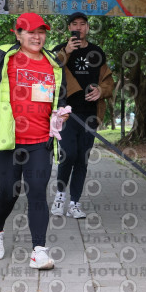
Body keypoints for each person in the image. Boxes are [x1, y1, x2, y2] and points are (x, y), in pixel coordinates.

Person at [0, 12, 68, 270]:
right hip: (7, 140)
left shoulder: (53, 62)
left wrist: (61, 113)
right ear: (18, 34)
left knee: (37, 192)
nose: (37, 37)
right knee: (9, 192)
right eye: (31, 32)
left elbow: (59, 95)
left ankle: (39, 251)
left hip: (40, 141)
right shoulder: (2, 56)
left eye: (41, 32)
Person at [50, 12, 114, 219]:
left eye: (83, 24)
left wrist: (101, 91)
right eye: (74, 24)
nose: (79, 27)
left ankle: (74, 203)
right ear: (69, 28)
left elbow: (108, 80)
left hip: (90, 114)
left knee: (82, 159)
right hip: (66, 113)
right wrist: (66, 52)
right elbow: (50, 71)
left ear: (87, 27)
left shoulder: (97, 52)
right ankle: (60, 197)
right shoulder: (59, 50)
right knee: (68, 154)